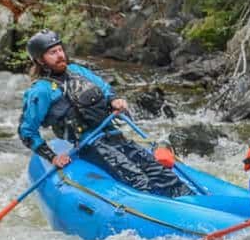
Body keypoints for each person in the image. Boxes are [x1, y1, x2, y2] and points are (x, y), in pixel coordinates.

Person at [18, 29, 191, 198]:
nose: (60, 55)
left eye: (60, 50)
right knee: (139, 180)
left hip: (114, 135)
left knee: (163, 175)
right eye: (52, 53)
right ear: (41, 60)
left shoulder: (77, 71)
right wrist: (52, 157)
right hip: (89, 145)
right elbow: (26, 131)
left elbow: (105, 89)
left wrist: (114, 100)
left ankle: (194, 207)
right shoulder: (41, 91)